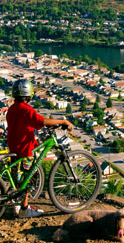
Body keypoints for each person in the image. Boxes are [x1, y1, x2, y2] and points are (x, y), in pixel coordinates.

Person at [7, 79, 74, 218]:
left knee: (18, 179)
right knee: (27, 178)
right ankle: (24, 210)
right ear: (28, 94)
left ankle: (18, 205)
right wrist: (63, 121)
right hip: (25, 150)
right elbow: (42, 121)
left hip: (14, 147)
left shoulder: (12, 108)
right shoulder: (26, 110)